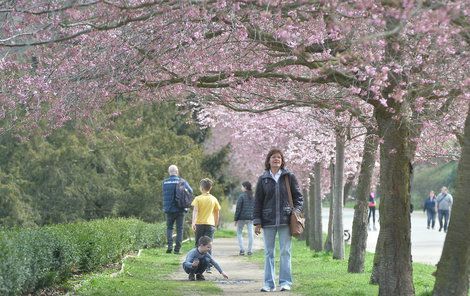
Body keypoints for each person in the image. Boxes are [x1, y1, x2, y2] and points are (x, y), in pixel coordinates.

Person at [253, 148, 303, 292]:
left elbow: (298, 198)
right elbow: (258, 201)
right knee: (268, 252)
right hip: (267, 221)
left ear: (282, 161)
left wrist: (296, 211)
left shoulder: (289, 177)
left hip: (285, 220)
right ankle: (268, 284)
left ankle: (285, 282)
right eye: (274, 157)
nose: (276, 160)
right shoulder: (263, 179)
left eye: (279, 158)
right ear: (268, 161)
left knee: (285, 252)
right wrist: (257, 222)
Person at [191, 178, 221, 272]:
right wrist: (215, 224)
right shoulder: (213, 199)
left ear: (201, 188)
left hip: (199, 224)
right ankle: (208, 266)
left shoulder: (198, 199)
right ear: (210, 188)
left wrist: (193, 222)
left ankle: (196, 264)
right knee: (208, 245)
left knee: (198, 244)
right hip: (210, 224)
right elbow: (217, 213)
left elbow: (195, 211)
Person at [162, 165, 193, 254]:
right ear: (177, 171)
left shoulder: (165, 182)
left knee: (169, 228)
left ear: (169, 172)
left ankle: (170, 246)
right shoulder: (182, 182)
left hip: (169, 209)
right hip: (180, 209)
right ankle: (177, 249)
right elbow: (191, 191)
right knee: (180, 229)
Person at [234, 181, 255, 256]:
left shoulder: (241, 196)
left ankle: (242, 250)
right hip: (250, 218)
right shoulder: (253, 196)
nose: (241, 188)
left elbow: (238, 209)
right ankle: (249, 250)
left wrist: (236, 219)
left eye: (242, 186)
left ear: (245, 187)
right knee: (251, 234)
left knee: (239, 233)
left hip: (241, 218)